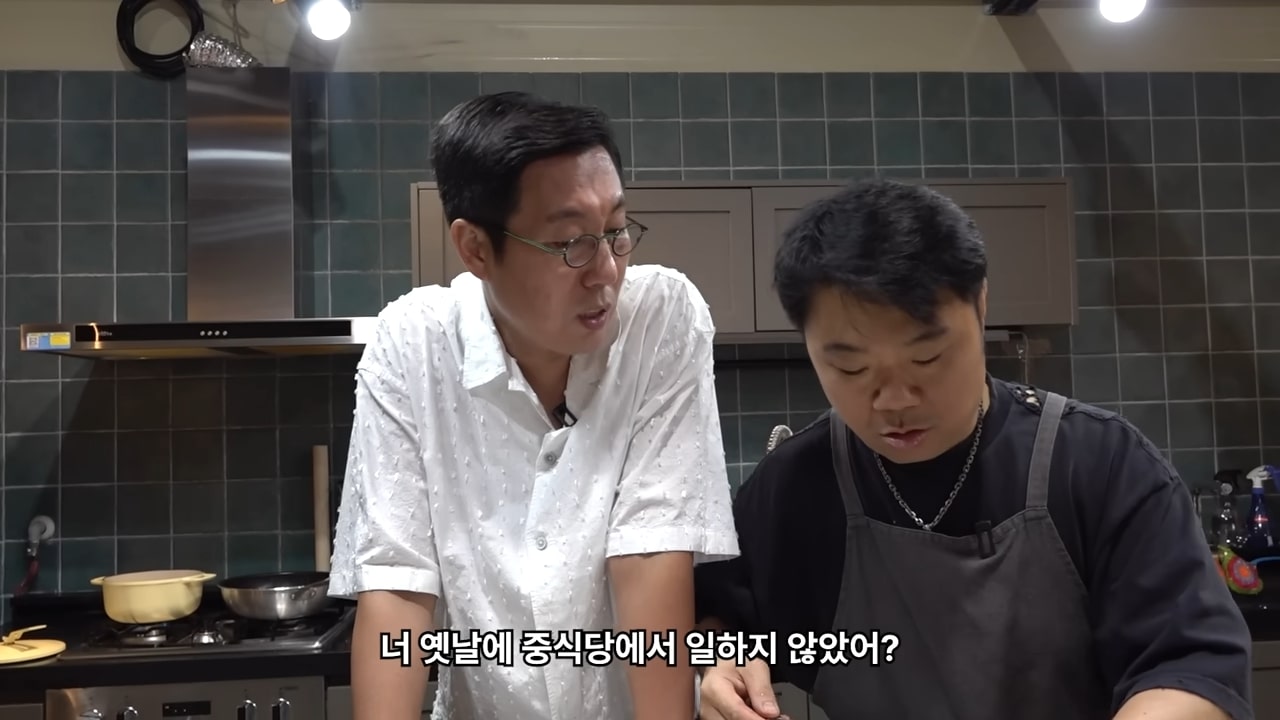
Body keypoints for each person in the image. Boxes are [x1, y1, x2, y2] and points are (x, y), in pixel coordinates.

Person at [692, 178, 1253, 720]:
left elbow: (1193, 671)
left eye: (927, 358)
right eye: (851, 368)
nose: (894, 400)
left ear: (981, 305)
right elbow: (710, 627)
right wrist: (718, 667)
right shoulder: (795, 488)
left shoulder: (1099, 465)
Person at [327, 91, 739, 720]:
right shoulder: (412, 342)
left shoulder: (661, 319)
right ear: (475, 248)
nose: (605, 271)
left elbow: (651, 549)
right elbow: (397, 583)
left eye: (616, 231)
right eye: (571, 242)